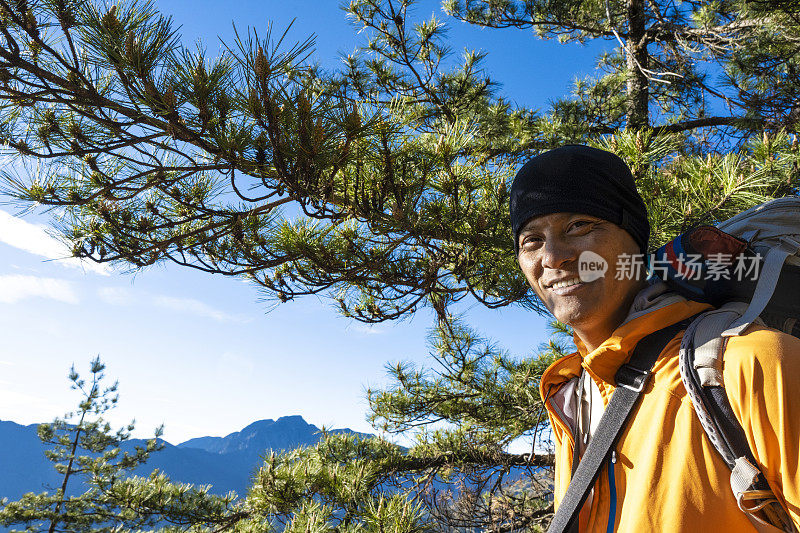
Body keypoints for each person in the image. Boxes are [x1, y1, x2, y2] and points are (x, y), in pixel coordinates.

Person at [509, 145, 800, 532]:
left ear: (634, 239)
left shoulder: (750, 365)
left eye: (579, 225)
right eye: (531, 240)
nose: (553, 256)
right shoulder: (572, 397)